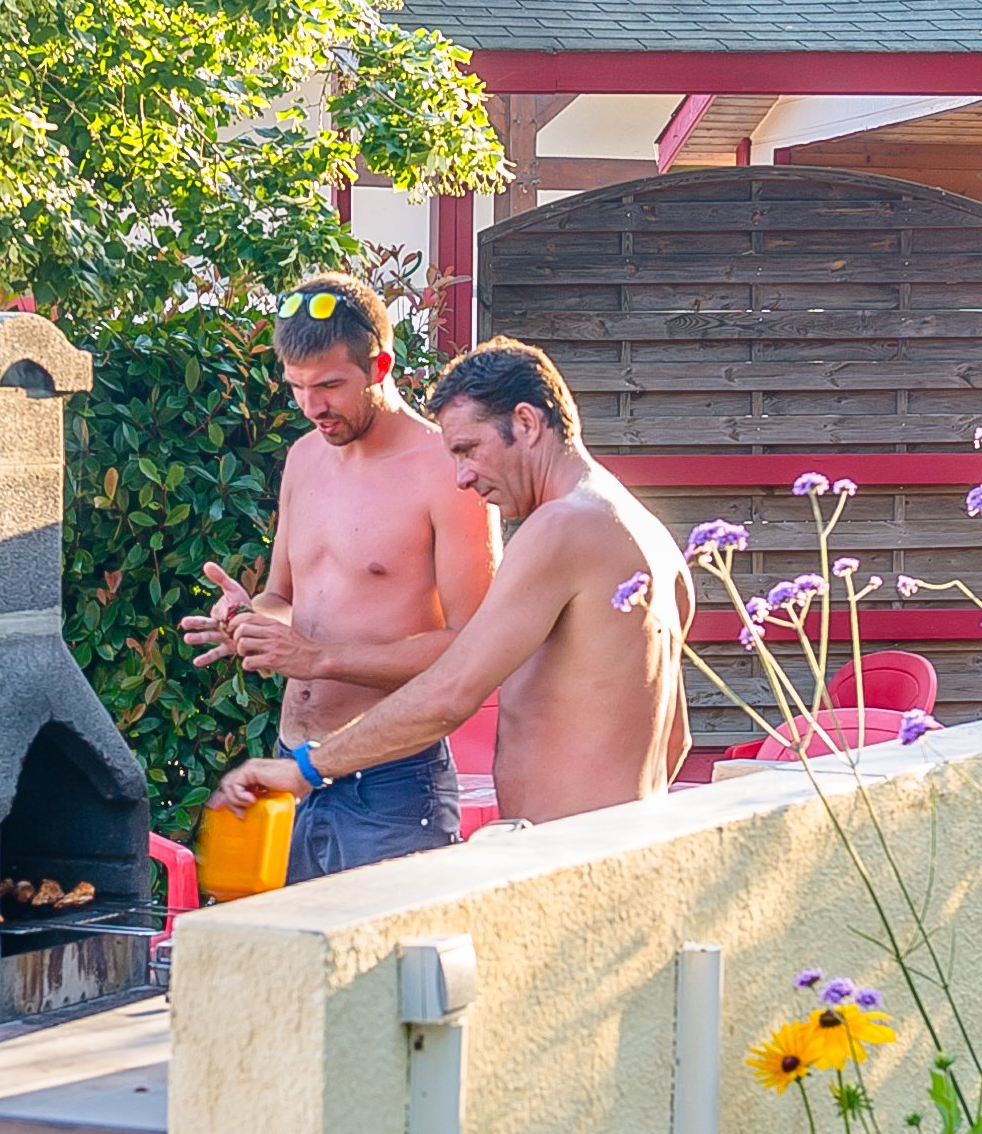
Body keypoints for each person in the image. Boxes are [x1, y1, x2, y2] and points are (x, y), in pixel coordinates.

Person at [213, 339, 687, 833]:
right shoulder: (650, 536)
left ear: (526, 423)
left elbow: (450, 693)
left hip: (570, 852)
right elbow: (674, 739)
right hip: (624, 844)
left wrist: (305, 768)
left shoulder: (560, 528)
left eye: (467, 450)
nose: (462, 478)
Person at [180, 274, 500, 877]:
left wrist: (319, 658)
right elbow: (282, 597)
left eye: (329, 385)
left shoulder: (446, 471)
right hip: (291, 770)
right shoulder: (304, 457)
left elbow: (476, 646)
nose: (312, 407)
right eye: (297, 387)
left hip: (390, 786)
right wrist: (248, 620)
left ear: (380, 366)